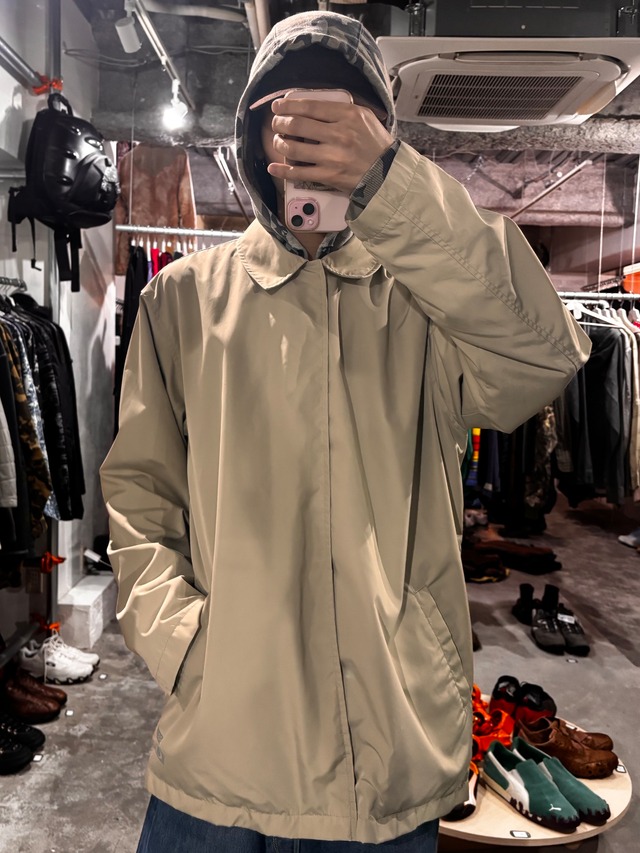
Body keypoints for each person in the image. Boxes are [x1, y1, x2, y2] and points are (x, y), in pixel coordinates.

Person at [100, 10, 591, 852]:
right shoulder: (184, 300)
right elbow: (140, 493)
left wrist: (393, 186)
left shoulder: (429, 303)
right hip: (219, 750)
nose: (313, 138)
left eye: (342, 115)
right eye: (289, 114)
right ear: (256, 134)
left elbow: (544, 356)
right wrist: (182, 640)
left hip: (385, 760)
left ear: (380, 133)